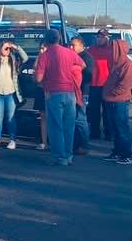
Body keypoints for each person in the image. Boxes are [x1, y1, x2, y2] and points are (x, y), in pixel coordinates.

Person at [35, 29, 84, 166]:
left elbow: (38, 78)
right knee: (69, 126)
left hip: (53, 93)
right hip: (70, 93)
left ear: (46, 40)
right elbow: (82, 64)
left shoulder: (45, 56)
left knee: (55, 126)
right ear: (59, 39)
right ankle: (68, 155)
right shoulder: (69, 52)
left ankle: (59, 157)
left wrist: (42, 80)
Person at [0, 40, 28, 150]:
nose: (8, 50)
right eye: (5, 48)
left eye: (9, 49)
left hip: (11, 94)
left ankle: (12, 140)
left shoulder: (12, 59)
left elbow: (25, 58)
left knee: (10, 118)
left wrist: (15, 47)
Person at [102, 40, 132, 165]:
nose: (110, 51)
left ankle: (126, 155)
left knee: (122, 129)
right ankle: (117, 152)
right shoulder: (115, 63)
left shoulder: (127, 64)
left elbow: (124, 84)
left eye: (112, 48)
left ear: (119, 49)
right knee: (114, 129)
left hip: (120, 101)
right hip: (110, 100)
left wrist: (110, 93)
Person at [87, 28, 113, 140]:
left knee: (108, 112)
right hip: (93, 85)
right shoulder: (91, 50)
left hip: (107, 85)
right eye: (98, 37)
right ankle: (94, 132)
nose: (99, 39)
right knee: (94, 111)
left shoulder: (112, 50)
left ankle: (109, 132)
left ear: (107, 38)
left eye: (102, 37)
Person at [71, 37, 93, 154]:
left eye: (73, 45)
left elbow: (88, 76)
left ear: (81, 45)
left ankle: (85, 145)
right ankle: (76, 144)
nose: (71, 47)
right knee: (74, 119)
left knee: (81, 119)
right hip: (73, 92)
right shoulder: (74, 57)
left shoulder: (86, 58)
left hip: (83, 92)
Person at [35, 42, 49, 150]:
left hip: (51, 91)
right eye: (40, 48)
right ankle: (43, 142)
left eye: (43, 48)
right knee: (43, 117)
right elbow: (35, 76)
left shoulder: (52, 59)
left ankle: (53, 141)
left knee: (53, 117)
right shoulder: (38, 60)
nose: (41, 50)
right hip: (40, 90)